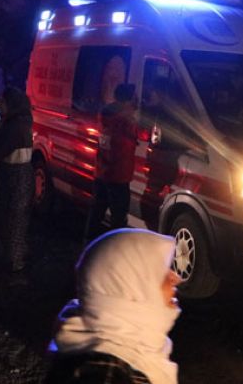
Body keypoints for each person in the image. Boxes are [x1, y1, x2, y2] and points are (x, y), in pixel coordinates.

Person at [45, 229, 182, 384]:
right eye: (161, 271)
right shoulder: (105, 375)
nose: (176, 278)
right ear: (131, 288)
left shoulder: (122, 356)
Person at [0, 87, 34, 274]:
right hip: (22, 174)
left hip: (13, 175)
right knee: (18, 218)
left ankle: (13, 263)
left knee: (11, 218)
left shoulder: (13, 127)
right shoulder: (23, 122)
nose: (1, 105)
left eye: (3, 102)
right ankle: (16, 257)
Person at [85, 84, 138, 240]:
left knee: (96, 213)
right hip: (119, 175)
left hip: (102, 172)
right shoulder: (126, 120)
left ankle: (88, 247)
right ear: (128, 99)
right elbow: (128, 143)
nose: (137, 99)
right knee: (118, 219)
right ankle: (115, 252)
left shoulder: (106, 115)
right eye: (134, 96)